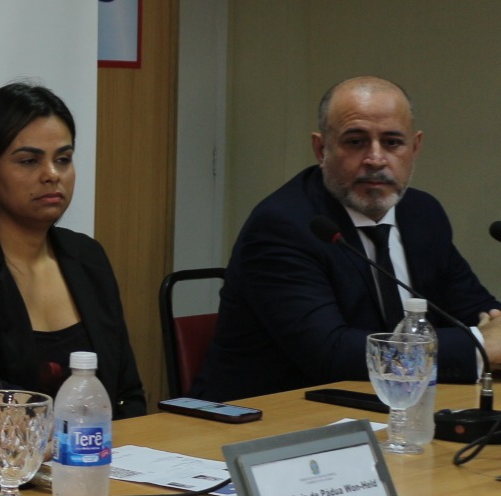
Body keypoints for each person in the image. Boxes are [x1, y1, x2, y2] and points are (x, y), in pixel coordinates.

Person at [194, 76, 501, 401]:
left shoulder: (422, 213)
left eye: (392, 142)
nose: (375, 159)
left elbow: (475, 309)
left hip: (389, 407)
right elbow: (329, 353)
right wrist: (479, 346)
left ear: (415, 147)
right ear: (321, 149)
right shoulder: (283, 226)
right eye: (355, 142)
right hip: (267, 415)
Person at [0, 83, 146, 416]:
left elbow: (127, 393)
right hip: (11, 450)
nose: (52, 175)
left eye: (63, 159)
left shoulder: (88, 256)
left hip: (103, 447)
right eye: (29, 161)